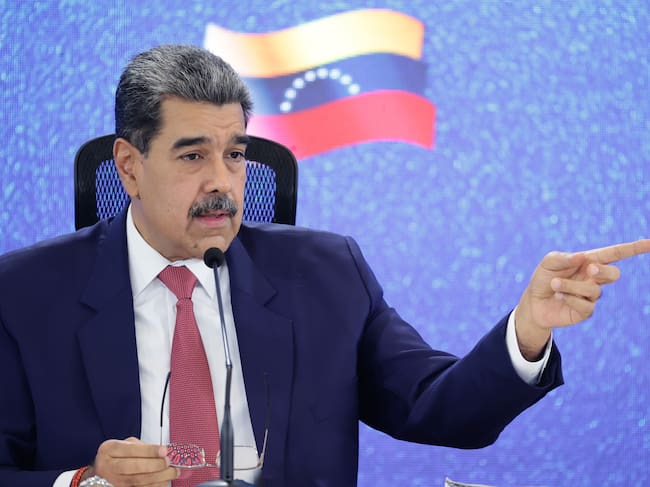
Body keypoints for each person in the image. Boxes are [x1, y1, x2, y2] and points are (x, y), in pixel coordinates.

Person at [0, 44, 648, 487]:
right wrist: (81, 481)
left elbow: (440, 408)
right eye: (193, 156)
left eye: (235, 154)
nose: (222, 181)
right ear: (128, 167)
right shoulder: (23, 294)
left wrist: (528, 329)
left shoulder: (326, 273)